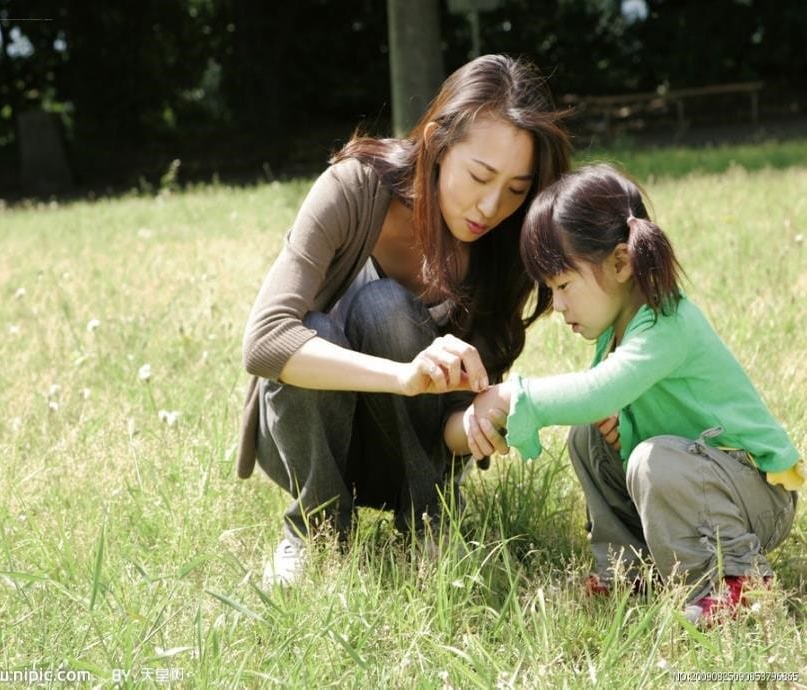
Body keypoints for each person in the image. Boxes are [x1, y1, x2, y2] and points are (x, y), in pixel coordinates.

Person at [238, 54, 572, 586]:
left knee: (386, 310)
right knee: (334, 324)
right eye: (480, 176)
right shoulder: (353, 189)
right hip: (311, 445)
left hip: (417, 455)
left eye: (515, 190)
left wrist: (490, 418)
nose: (491, 207)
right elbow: (265, 343)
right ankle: (316, 532)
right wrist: (403, 377)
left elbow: (456, 430)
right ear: (438, 143)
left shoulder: (506, 248)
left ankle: (426, 525)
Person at [465, 163, 803, 625]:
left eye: (563, 285)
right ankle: (629, 570)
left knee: (652, 459)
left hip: (755, 494)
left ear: (621, 263)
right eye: (550, 289)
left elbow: (598, 391)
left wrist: (513, 397)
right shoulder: (615, 331)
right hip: (696, 475)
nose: (558, 305)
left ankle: (731, 579)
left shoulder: (667, 323)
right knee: (588, 436)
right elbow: (602, 404)